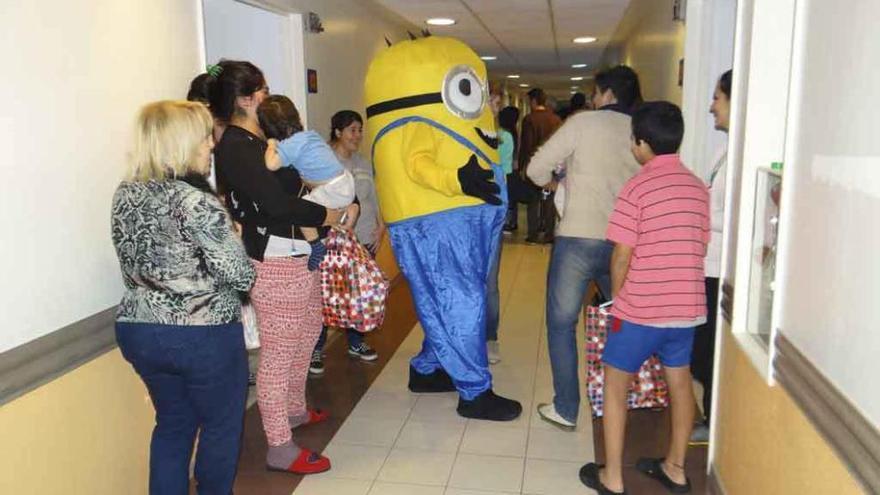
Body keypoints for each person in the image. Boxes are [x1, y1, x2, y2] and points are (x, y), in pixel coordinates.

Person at [365, 36, 520, 421]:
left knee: (448, 299)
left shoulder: (449, 116)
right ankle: (474, 392)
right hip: (436, 218)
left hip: (452, 217)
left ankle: (428, 369)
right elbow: (415, 162)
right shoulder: (419, 117)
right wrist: (457, 179)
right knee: (462, 301)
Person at [207, 60, 351, 475]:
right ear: (246, 99)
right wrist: (331, 215)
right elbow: (277, 205)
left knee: (307, 332)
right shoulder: (236, 146)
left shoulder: (260, 140)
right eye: (264, 90)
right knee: (279, 352)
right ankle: (279, 447)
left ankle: (293, 409)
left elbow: (296, 188)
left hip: (297, 254)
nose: (269, 96)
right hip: (274, 260)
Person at [112, 100, 256, 494]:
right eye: (204, 138)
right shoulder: (197, 200)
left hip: (139, 329)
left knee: (173, 424)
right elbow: (240, 274)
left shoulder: (125, 194)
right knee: (220, 427)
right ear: (182, 142)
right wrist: (237, 239)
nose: (211, 145)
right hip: (201, 333)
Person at [579, 101, 710, 495]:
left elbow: (621, 255)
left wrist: (619, 303)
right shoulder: (697, 187)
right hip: (686, 310)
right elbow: (700, 245)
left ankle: (613, 478)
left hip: (640, 311)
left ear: (641, 143)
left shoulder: (636, 187)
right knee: (681, 385)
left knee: (615, 384)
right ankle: (675, 468)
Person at [528, 65, 642, 430]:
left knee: (562, 324)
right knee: (624, 323)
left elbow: (535, 169)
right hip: (624, 243)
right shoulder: (641, 129)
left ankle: (566, 408)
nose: (593, 99)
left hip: (578, 236)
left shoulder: (583, 123)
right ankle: (624, 402)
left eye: (596, 93)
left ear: (606, 94)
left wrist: (555, 182)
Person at [310, 110, 381, 375]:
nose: (357, 135)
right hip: (334, 242)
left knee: (357, 294)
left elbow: (373, 196)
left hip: (363, 239)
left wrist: (380, 224)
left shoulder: (362, 162)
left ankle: (356, 343)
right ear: (338, 132)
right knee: (327, 295)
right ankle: (316, 348)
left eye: (360, 130)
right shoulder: (325, 162)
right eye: (352, 129)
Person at [257, 94, 356, 271]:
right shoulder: (311, 136)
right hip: (344, 182)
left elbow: (271, 164)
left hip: (332, 188)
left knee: (305, 212)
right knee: (333, 220)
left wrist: (271, 144)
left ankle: (316, 247)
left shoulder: (290, 145)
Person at [690, 69, 733, 444]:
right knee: (702, 345)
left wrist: (700, 215)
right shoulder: (724, 149)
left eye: (717, 98)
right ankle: (708, 414)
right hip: (706, 263)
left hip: (722, 268)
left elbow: (737, 215)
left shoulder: (746, 153)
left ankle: (714, 421)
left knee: (708, 349)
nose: (711, 106)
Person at [519, 88, 562, 244]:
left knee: (533, 201)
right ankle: (549, 233)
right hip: (552, 165)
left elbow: (527, 146)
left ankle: (533, 234)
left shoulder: (529, 119)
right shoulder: (556, 119)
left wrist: (524, 166)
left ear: (534, 101)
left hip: (534, 165)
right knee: (549, 199)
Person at [498, 106, 520, 233]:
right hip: (508, 170)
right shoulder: (511, 134)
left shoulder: (500, 134)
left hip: (499, 170)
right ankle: (510, 222)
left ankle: (505, 223)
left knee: (503, 198)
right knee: (509, 198)